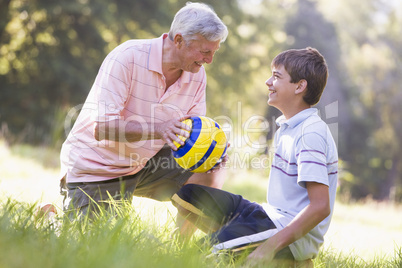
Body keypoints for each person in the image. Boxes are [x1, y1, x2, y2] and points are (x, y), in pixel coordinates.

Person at [59, 2, 228, 223]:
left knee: (211, 166)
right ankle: (51, 215)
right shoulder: (127, 57)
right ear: (178, 40)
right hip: (99, 169)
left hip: (145, 162)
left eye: (213, 52)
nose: (209, 60)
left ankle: (180, 250)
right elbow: (102, 128)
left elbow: (192, 129)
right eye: (205, 51)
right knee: (102, 247)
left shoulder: (196, 74)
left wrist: (213, 144)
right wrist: (159, 129)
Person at [172, 47, 338, 266]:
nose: (268, 82)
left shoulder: (311, 133)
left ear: (300, 86)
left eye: (277, 77)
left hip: (286, 230)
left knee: (200, 256)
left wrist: (268, 248)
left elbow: (320, 207)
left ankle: (289, 259)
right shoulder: (287, 127)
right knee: (186, 195)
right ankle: (238, 242)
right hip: (267, 215)